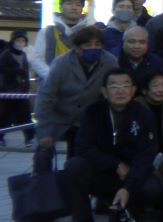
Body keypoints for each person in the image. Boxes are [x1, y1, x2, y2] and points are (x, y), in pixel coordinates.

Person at [63, 68, 163, 222]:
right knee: (74, 166)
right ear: (104, 91)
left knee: (154, 187)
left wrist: (128, 186)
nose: (120, 91)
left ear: (133, 90)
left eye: (125, 85)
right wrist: (114, 164)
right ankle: (83, 220)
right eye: (114, 86)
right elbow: (83, 148)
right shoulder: (92, 113)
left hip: (133, 174)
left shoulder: (144, 115)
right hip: (104, 172)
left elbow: (145, 155)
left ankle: (129, 207)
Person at [34, 26, 117, 157]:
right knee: (43, 154)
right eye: (88, 45)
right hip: (59, 116)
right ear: (78, 48)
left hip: (87, 119)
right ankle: (40, 176)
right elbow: (45, 96)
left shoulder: (110, 62)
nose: (93, 48)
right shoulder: (61, 63)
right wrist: (44, 132)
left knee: (78, 159)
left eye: (98, 44)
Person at [31, 0, 90, 81]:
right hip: (51, 89)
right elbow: (37, 61)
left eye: (78, 5)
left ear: (82, 9)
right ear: (60, 8)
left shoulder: (89, 33)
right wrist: (54, 77)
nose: (74, 7)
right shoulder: (46, 32)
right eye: (69, 3)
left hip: (81, 89)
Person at [0, 30, 34, 147]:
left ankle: (29, 138)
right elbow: (4, 71)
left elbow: (25, 73)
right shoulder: (6, 54)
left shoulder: (23, 55)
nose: (20, 43)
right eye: (18, 40)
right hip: (8, 92)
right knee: (5, 117)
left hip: (21, 91)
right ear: (12, 41)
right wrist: (18, 72)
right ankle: (1, 137)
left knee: (25, 115)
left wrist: (26, 87)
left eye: (23, 40)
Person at [116, 26, 163, 93]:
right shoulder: (113, 61)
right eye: (132, 42)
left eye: (142, 42)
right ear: (123, 43)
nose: (137, 46)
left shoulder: (157, 63)